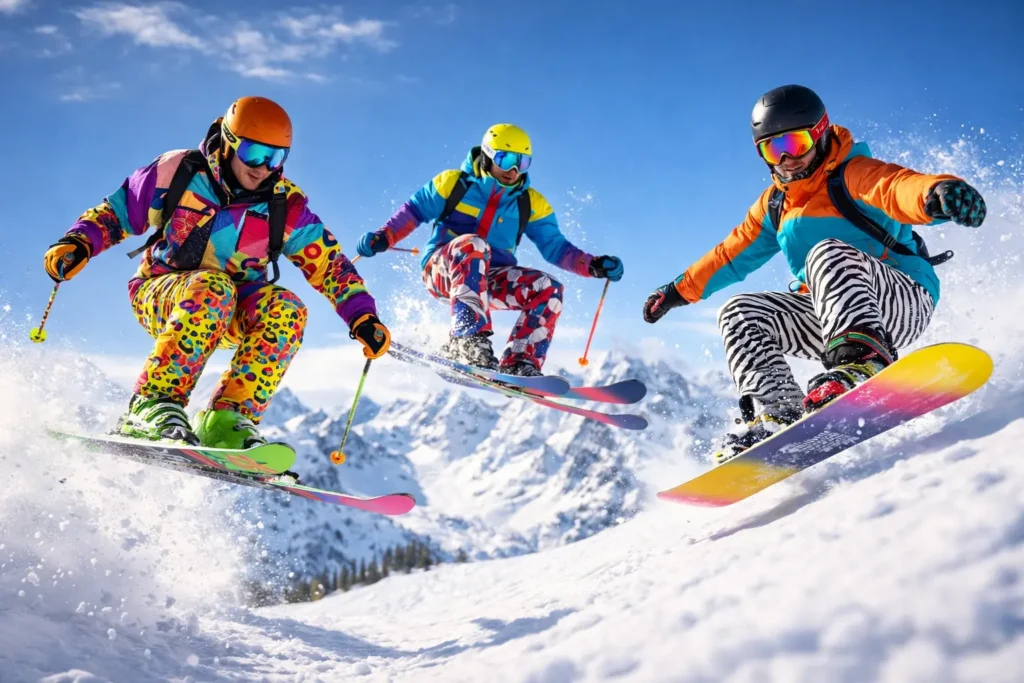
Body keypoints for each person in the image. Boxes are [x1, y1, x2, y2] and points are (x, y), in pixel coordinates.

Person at [642, 84, 986, 464]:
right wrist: (677, 291)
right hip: (830, 316)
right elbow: (731, 254)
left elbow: (896, 187)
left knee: (826, 253)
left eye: (796, 143)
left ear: (820, 134)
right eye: (773, 149)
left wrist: (936, 193)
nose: (787, 159)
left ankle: (864, 361)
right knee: (739, 312)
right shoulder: (775, 204)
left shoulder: (853, 173)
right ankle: (775, 412)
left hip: (899, 299)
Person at [44, 96, 391, 449]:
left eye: (275, 157)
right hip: (162, 294)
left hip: (234, 308)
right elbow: (117, 211)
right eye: (254, 153)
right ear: (228, 142)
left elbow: (330, 265)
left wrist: (362, 316)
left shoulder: (284, 205)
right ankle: (152, 404)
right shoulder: (178, 172)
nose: (263, 167)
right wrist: (79, 242)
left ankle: (226, 420)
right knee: (213, 287)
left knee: (288, 309)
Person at [355, 124, 624, 376]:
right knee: (473, 244)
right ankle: (467, 341)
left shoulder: (530, 203)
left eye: (523, 163)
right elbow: (412, 212)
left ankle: (520, 361)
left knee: (549, 287)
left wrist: (593, 265)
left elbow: (556, 247)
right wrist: (383, 237)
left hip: (490, 278)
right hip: (443, 270)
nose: (514, 170)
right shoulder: (453, 183)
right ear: (487, 155)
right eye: (507, 160)